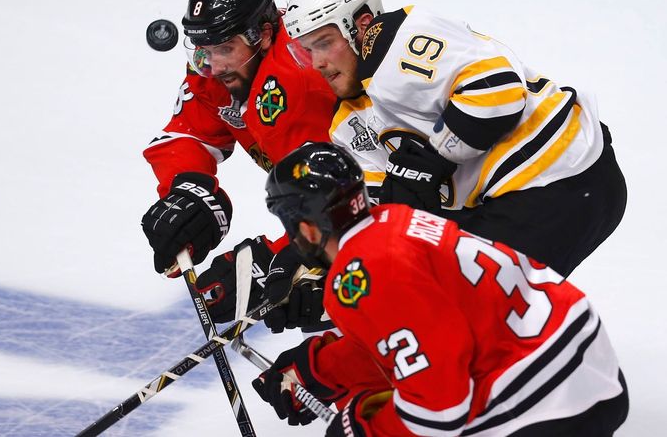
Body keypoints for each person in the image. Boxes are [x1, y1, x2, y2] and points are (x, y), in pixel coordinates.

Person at [252, 142, 629, 437]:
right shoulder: (396, 219)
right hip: (582, 357)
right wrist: (319, 370)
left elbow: (441, 411)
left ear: (308, 227)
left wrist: (366, 428)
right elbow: (423, 331)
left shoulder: (360, 274)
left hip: (542, 403)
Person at [281, 0, 627, 278]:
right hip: (532, 200)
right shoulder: (348, 124)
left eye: (324, 43)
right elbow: (380, 209)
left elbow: (498, 91)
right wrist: (312, 262)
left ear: (362, 25)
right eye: (306, 51)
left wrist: (432, 158)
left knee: (448, 302)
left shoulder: (392, 39)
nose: (317, 63)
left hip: (559, 178)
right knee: (412, 278)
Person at [140, 0, 338, 323]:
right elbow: (188, 132)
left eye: (224, 49)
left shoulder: (305, 81)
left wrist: (279, 257)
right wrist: (188, 188)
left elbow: (355, 196)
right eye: (201, 50)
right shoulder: (218, 68)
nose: (211, 66)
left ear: (262, 34)